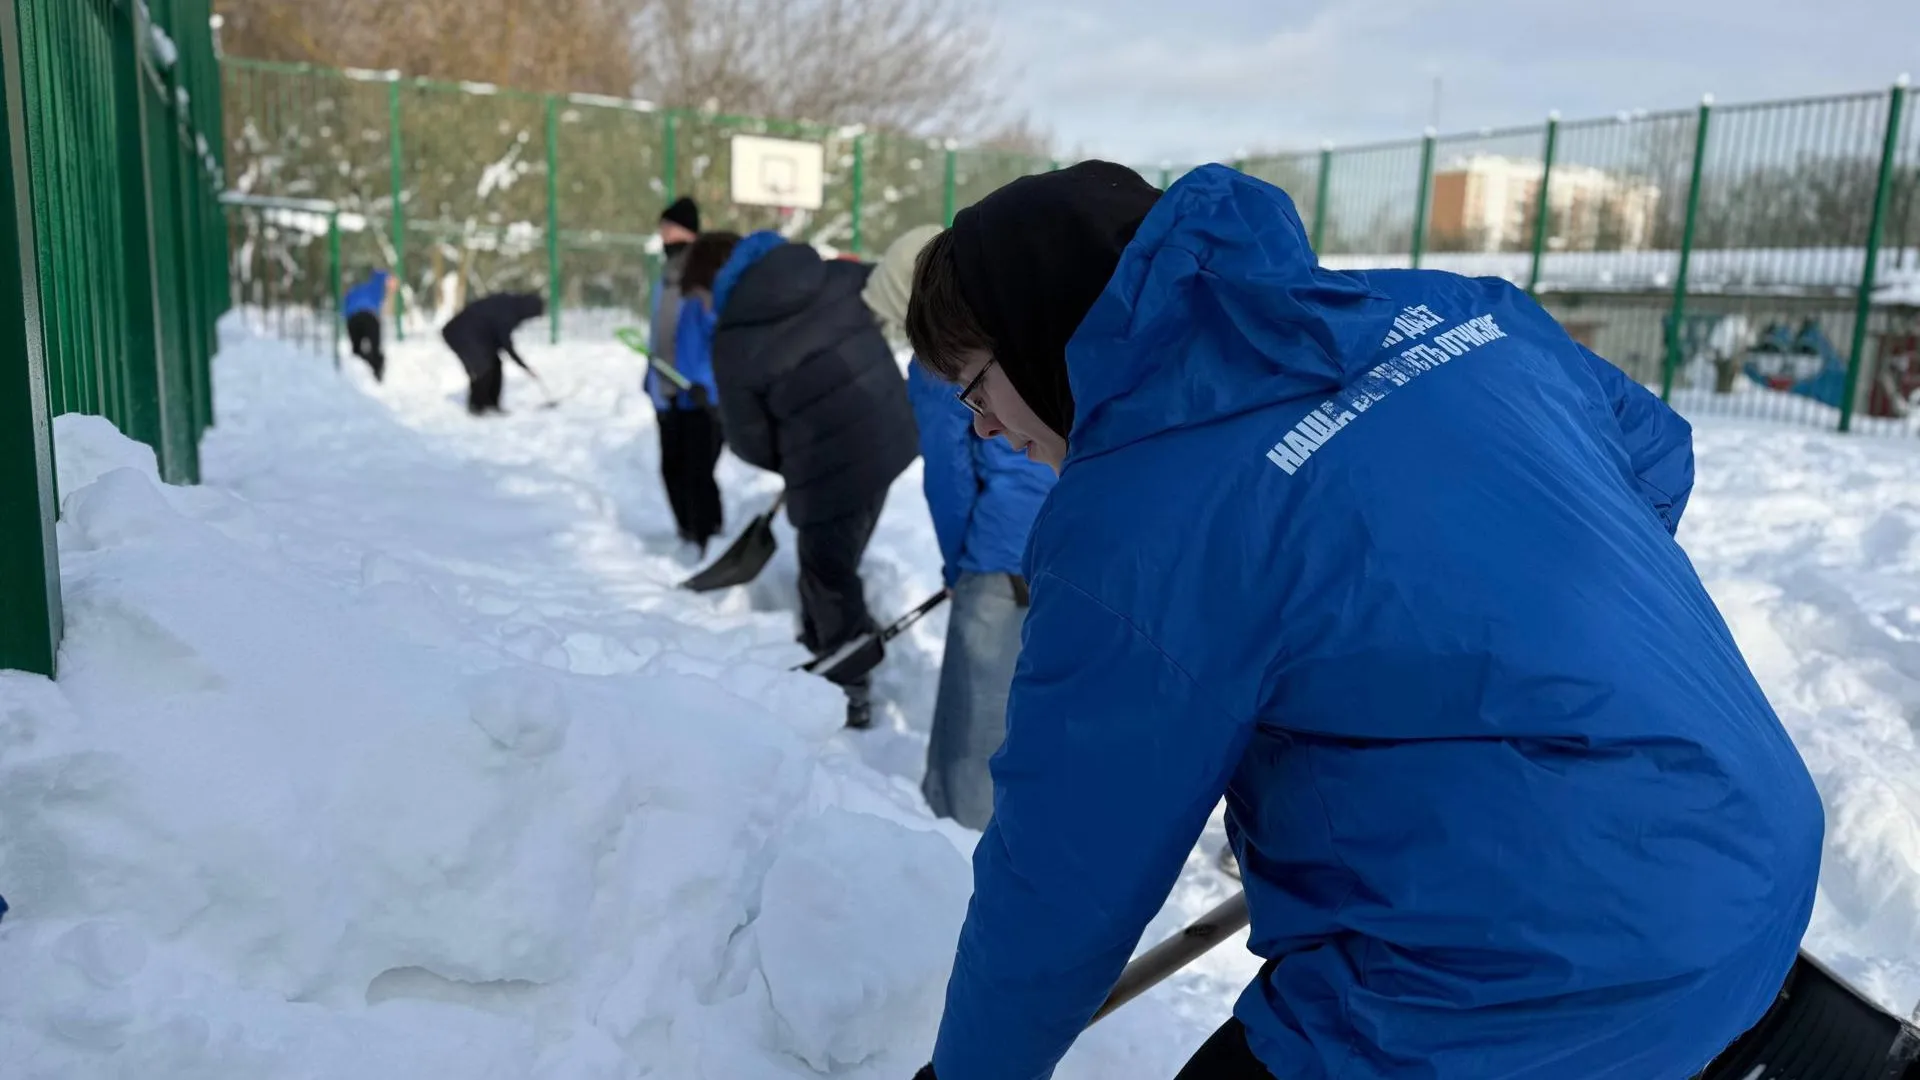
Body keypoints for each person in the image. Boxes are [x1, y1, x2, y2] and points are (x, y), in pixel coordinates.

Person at [900, 161, 1824, 1079]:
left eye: (975, 389)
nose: (981, 427)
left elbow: (1068, 870)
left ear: (1037, 334)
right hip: (1754, 866)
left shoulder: (1136, 524)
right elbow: (1656, 455)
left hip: (1530, 968)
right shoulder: (1463, 313)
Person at [864, 225, 1055, 830]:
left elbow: (947, 475)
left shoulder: (937, 363)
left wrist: (958, 568)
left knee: (975, 716)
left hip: (997, 551)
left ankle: (954, 839)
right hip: (1062, 542)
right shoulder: (1025, 332)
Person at [706, 230, 919, 729]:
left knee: (826, 569)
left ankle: (848, 680)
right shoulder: (835, 276)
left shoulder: (732, 338)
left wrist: (790, 459)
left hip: (827, 466)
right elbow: (890, 291)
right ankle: (828, 641)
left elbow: (747, 440)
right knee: (837, 552)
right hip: (892, 432)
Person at [652, 231, 738, 555]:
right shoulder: (693, 301)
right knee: (680, 469)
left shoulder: (714, 303)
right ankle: (693, 535)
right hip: (685, 397)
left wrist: (709, 387)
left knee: (700, 473)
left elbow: (718, 349)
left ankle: (708, 537)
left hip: (708, 402)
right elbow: (684, 347)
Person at [440, 291, 545, 415]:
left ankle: (490, 405)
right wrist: (523, 366)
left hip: (474, 333)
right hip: (459, 332)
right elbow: (505, 341)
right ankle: (477, 407)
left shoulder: (511, 305)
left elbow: (497, 337)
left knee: (495, 362)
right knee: (482, 366)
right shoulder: (509, 310)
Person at [648, 196, 701, 404]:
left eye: (668, 227)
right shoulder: (665, 276)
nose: (663, 234)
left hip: (692, 395)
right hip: (665, 392)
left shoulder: (701, 272)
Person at [341, 269, 395, 380]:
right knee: (375, 349)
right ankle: (376, 371)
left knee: (356, 350)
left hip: (353, 319)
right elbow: (384, 277)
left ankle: (364, 369)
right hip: (370, 317)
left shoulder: (352, 290)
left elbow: (343, 310)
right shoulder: (375, 285)